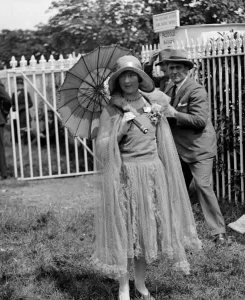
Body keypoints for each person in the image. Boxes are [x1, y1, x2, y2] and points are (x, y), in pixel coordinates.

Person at [90, 55, 202, 300]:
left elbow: (162, 140)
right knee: (125, 231)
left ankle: (140, 284)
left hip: (152, 173)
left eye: (133, 75)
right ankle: (123, 288)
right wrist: (119, 131)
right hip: (125, 175)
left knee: (144, 230)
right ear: (117, 81)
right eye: (123, 76)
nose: (128, 80)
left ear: (141, 77)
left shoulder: (154, 103)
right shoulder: (110, 109)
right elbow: (100, 148)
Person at [163, 49, 226, 244]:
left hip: (199, 148)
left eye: (178, 68)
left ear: (187, 70)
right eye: (171, 67)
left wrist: (173, 114)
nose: (174, 71)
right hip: (179, 149)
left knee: (202, 185)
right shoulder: (168, 89)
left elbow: (199, 120)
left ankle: (218, 233)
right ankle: (178, 230)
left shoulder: (196, 90)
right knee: (175, 188)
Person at [11, 76, 33, 143]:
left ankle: (26, 141)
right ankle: (16, 141)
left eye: (20, 84)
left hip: (24, 114)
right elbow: (12, 103)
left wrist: (21, 107)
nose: (19, 85)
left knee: (25, 128)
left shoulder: (26, 93)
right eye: (17, 84)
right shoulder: (14, 94)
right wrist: (13, 107)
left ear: (23, 84)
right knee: (16, 127)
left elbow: (30, 104)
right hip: (15, 114)